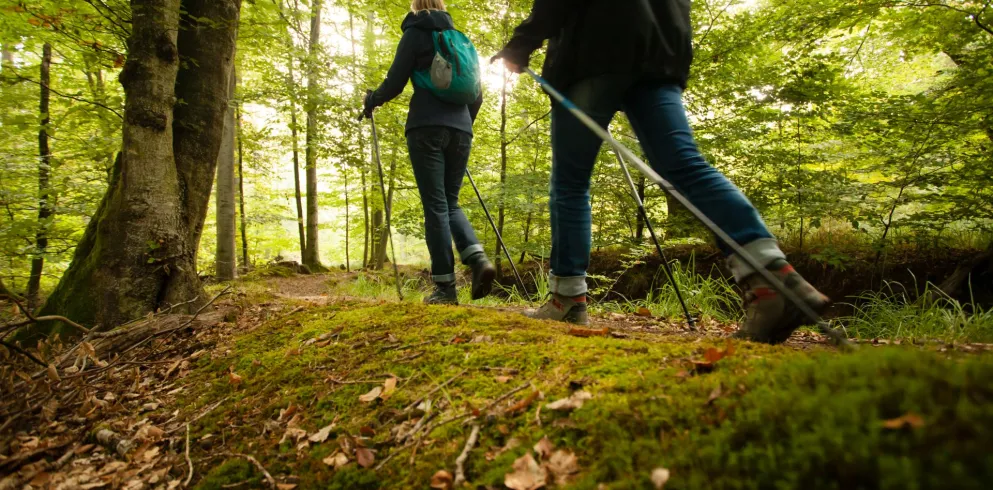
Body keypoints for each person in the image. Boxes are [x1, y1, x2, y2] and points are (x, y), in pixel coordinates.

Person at [492, 0, 830, 343]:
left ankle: (567, 298)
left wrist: (521, 44)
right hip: (659, 50)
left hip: (592, 50)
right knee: (686, 166)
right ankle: (773, 278)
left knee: (570, 183)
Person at [363, 0, 495, 305]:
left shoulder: (415, 33)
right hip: (461, 129)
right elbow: (477, 94)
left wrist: (373, 99)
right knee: (450, 203)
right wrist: (461, 127)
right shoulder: (461, 40)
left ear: (416, 7)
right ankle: (477, 259)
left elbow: (395, 81)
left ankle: (445, 289)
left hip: (426, 127)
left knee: (435, 205)